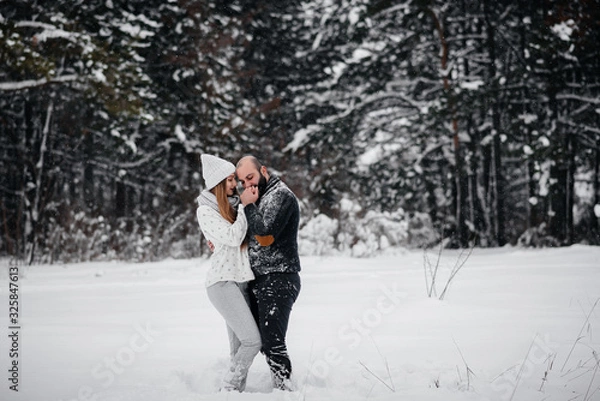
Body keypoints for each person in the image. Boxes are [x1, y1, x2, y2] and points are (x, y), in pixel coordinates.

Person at [196, 154, 261, 392]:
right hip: (222, 284)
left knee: (238, 348)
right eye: (230, 180)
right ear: (218, 182)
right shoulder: (205, 211)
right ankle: (229, 387)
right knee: (252, 341)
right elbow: (234, 237)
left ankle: (234, 395)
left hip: (241, 283)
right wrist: (244, 205)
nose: (235, 185)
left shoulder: (232, 208)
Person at [236, 155, 302, 391]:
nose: (248, 185)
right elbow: (250, 235)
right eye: (242, 181)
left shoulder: (280, 195)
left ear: (263, 170)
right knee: (261, 341)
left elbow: (264, 237)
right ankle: (279, 386)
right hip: (260, 279)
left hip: (280, 277)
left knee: (273, 341)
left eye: (250, 177)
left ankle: (285, 390)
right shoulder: (259, 197)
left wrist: (248, 205)